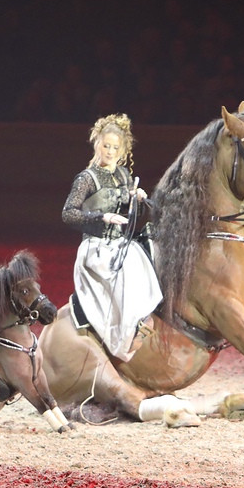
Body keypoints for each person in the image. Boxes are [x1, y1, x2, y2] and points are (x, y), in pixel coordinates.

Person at [61, 113, 162, 361]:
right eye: (106, 146)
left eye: (116, 147)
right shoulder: (87, 178)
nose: (110, 151)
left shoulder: (123, 175)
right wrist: (100, 218)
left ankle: (143, 321)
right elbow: (68, 214)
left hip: (119, 244)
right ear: (97, 143)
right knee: (123, 270)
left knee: (147, 259)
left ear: (123, 150)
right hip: (96, 248)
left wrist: (135, 197)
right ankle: (122, 337)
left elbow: (127, 213)